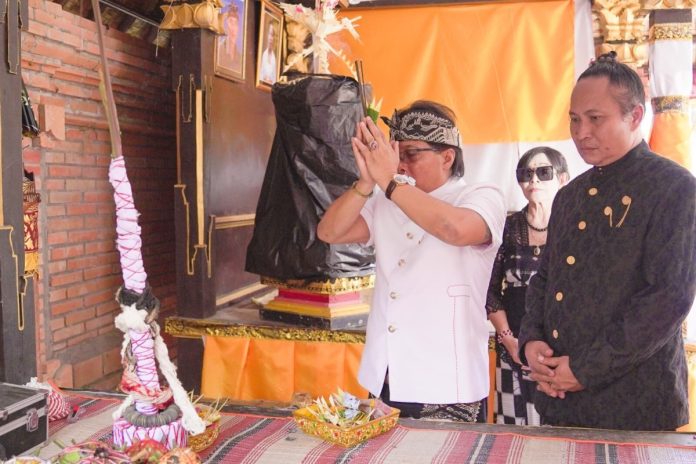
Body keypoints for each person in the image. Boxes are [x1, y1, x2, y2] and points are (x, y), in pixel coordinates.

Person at [518, 52, 696, 431]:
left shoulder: (674, 188)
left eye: (595, 119)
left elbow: (667, 298)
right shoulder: (571, 195)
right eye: (574, 119)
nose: (582, 132)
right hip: (561, 398)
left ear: (634, 116)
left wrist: (584, 369)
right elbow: (545, 278)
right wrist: (532, 341)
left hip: (636, 404)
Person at [317, 101, 506, 422]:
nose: (401, 164)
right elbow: (330, 231)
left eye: (411, 155)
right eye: (396, 154)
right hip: (387, 372)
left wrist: (389, 181)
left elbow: (454, 229)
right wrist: (366, 182)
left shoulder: (480, 195)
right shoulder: (386, 198)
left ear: (447, 156)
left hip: (447, 379)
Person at [486, 147, 569, 425]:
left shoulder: (576, 228)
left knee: (561, 430)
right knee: (513, 430)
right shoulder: (506, 227)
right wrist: (509, 339)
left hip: (563, 353)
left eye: (543, 172)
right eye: (525, 174)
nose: (533, 180)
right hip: (513, 349)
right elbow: (490, 291)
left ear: (563, 179)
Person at [217, 4, 242, 73]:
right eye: (231, 22)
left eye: (236, 23)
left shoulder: (240, 58)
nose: (233, 28)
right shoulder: (219, 51)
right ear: (225, 26)